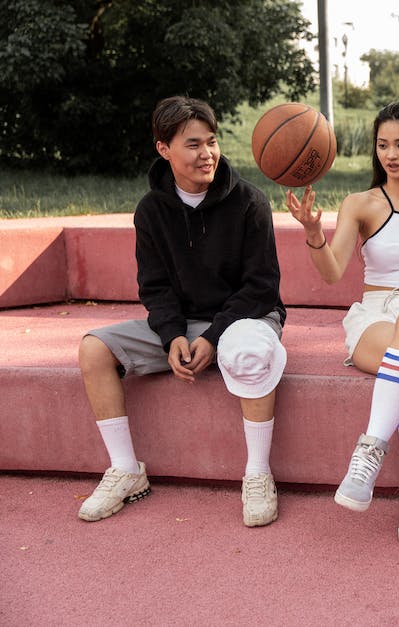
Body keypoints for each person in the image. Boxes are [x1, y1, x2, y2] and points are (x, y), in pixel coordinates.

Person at [77, 96, 287, 527]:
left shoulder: (250, 201)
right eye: (192, 144)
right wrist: (173, 335)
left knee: (246, 351)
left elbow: (261, 288)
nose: (207, 153)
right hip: (184, 324)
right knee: (95, 349)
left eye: (211, 142)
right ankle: (126, 471)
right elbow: (154, 287)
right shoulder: (151, 210)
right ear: (163, 149)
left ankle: (258, 474)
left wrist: (211, 337)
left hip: (246, 319)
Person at [286, 101, 399, 547]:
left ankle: (368, 450)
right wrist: (314, 233)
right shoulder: (360, 204)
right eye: (382, 144)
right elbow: (332, 272)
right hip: (376, 316)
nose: (390, 154)